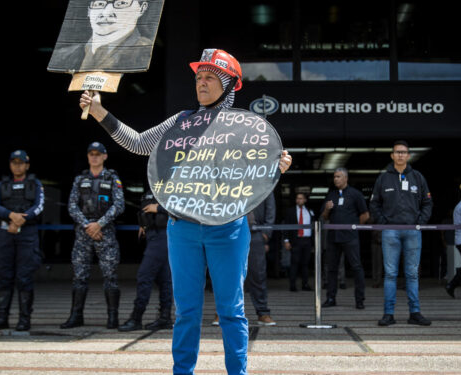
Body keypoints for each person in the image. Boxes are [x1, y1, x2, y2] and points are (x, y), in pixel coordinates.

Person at [78, 48, 292, 375]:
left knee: (232, 311)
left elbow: (261, 171)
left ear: (230, 84)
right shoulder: (180, 122)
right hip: (183, 228)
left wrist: (278, 166)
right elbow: (137, 142)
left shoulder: (248, 128)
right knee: (187, 313)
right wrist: (99, 112)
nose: (201, 83)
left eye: (209, 77)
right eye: (198, 78)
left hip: (229, 228)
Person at [61, 142, 125, 330]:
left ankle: (112, 318)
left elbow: (119, 205)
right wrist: (87, 225)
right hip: (83, 232)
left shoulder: (112, 178)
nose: (94, 157)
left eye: (98, 154)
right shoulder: (80, 179)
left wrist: (100, 224)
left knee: (110, 276)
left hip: (105, 232)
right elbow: (72, 205)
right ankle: (76, 316)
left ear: (105, 156)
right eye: (91, 154)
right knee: (79, 276)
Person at [369, 140, 433, 326]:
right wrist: (384, 223)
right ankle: (389, 314)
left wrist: (420, 223)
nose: (400, 155)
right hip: (391, 231)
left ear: (408, 155)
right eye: (397, 152)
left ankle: (415, 312)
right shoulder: (383, 178)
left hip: (413, 231)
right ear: (392, 155)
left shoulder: (418, 177)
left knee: (412, 274)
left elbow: (427, 203)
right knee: (390, 274)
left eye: (404, 152)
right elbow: (374, 204)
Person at [0, 150, 45, 331]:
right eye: (14, 162)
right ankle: (1, 317)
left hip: (27, 233)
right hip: (5, 233)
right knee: (4, 276)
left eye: (21, 163)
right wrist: (10, 215)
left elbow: (39, 206)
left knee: (24, 277)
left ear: (27, 165)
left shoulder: (35, 184)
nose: (17, 166)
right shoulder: (2, 184)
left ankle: (24, 319)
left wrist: (21, 219)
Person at [118, 191, 173, 332]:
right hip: (153, 235)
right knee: (165, 279)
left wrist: (159, 209)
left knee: (144, 276)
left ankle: (136, 317)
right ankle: (165, 318)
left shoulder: (177, 186)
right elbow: (145, 209)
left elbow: (185, 208)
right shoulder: (153, 186)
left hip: (164, 235)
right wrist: (143, 223)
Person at [49, 0, 153, 72]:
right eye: (99, 3)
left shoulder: (146, 53)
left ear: (142, 8)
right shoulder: (61, 57)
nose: (106, 13)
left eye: (121, 3)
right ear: (89, 10)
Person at [320, 168, 368, 310]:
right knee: (332, 269)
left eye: (338, 177)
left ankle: (359, 300)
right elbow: (324, 217)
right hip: (333, 237)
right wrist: (327, 209)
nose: (336, 179)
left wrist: (355, 228)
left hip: (350, 237)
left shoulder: (355, 194)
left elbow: (365, 214)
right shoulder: (331, 195)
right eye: (334, 177)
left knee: (356, 267)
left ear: (346, 178)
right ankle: (330, 298)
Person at [245, 192, 276, 326]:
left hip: (256, 233)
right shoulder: (231, 176)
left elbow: (270, 208)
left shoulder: (262, 178)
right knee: (226, 274)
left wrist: (266, 233)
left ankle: (263, 312)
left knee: (258, 274)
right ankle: (221, 313)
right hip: (231, 231)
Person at [282, 193, 314, 292]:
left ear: (305, 200)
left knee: (305, 263)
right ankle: (292, 285)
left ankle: (305, 284)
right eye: (297, 198)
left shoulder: (309, 211)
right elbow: (286, 227)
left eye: (301, 198)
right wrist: (286, 240)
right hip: (296, 240)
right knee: (294, 263)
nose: (299, 200)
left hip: (307, 240)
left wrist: (313, 242)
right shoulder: (290, 211)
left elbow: (313, 226)